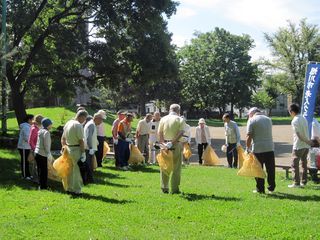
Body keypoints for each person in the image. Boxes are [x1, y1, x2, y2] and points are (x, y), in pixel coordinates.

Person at [246, 107, 275, 194]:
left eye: (249, 114)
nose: (249, 116)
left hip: (258, 148)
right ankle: (271, 188)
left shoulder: (252, 120)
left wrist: (247, 148)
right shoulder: (268, 119)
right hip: (270, 147)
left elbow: (249, 136)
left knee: (258, 169)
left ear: (252, 113)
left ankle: (260, 189)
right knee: (270, 169)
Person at [158, 104, 185, 194]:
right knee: (176, 167)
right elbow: (181, 133)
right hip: (175, 144)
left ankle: (164, 187)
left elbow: (160, 132)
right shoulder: (180, 119)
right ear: (178, 111)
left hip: (164, 145)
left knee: (164, 166)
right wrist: (172, 142)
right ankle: (174, 189)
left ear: (169, 110)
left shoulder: (163, 119)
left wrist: (163, 143)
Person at [61, 110, 88, 195]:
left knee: (70, 170)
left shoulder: (68, 123)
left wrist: (64, 147)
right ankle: (77, 189)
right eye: (85, 118)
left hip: (69, 148)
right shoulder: (78, 125)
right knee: (77, 170)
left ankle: (69, 188)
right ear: (82, 117)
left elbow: (63, 138)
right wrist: (83, 153)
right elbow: (81, 141)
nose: (85, 120)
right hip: (76, 149)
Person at [288, 103, 312, 188]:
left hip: (298, 145)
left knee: (294, 164)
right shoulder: (303, 118)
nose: (290, 114)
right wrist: (308, 142)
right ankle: (304, 181)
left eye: (289, 112)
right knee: (304, 164)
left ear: (292, 112)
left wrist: (306, 141)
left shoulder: (295, 120)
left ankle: (296, 183)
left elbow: (298, 135)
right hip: (305, 146)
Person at [83, 113, 103, 184]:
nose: (101, 122)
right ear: (97, 119)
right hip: (88, 149)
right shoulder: (91, 125)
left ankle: (89, 179)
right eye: (101, 120)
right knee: (88, 165)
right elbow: (88, 137)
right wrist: (91, 147)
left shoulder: (92, 124)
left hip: (90, 148)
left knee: (90, 164)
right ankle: (88, 180)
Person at [34, 118, 53, 190]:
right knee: (44, 171)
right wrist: (49, 154)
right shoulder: (46, 132)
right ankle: (43, 187)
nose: (51, 125)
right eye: (51, 124)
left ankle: (40, 185)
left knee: (39, 170)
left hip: (37, 152)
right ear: (48, 125)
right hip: (42, 154)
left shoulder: (40, 130)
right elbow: (46, 145)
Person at [17, 114, 34, 180]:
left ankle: (28, 175)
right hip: (23, 147)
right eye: (33, 119)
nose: (33, 121)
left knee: (27, 161)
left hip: (27, 147)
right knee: (24, 162)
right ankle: (24, 175)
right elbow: (27, 138)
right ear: (29, 120)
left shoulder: (29, 126)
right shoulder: (26, 127)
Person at [28, 114, 44, 181]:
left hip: (38, 149)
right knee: (36, 165)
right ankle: (35, 179)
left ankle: (36, 178)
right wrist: (35, 149)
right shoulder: (34, 129)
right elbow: (30, 141)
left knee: (37, 164)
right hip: (35, 149)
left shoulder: (38, 127)